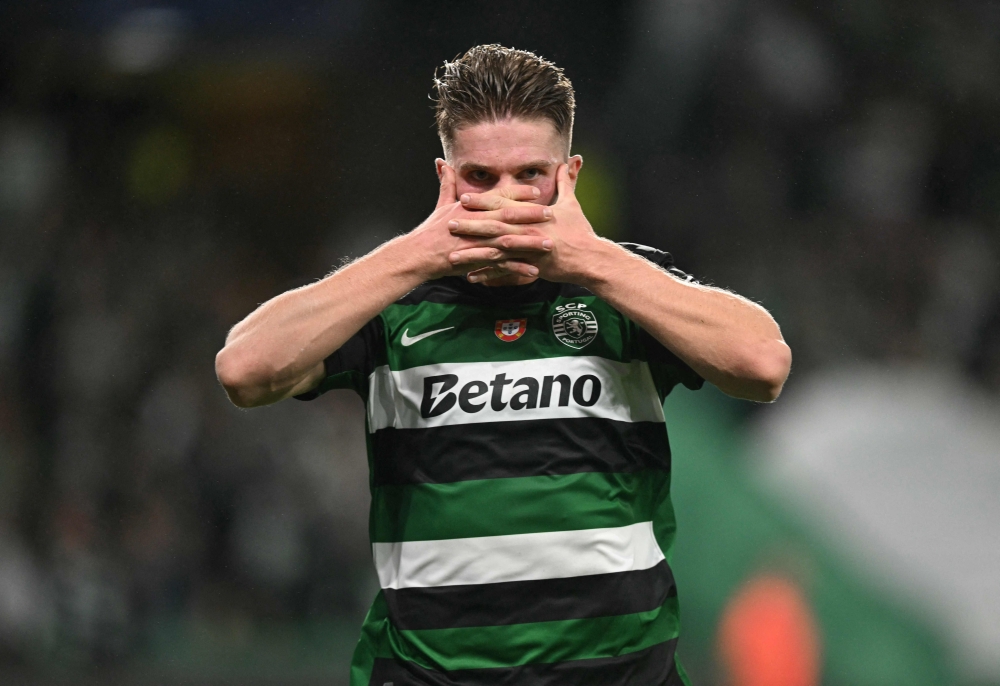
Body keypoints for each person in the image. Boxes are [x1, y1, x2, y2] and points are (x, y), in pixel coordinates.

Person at [215, 44, 791, 686]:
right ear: (446, 178)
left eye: (530, 175)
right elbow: (244, 368)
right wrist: (419, 252)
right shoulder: (395, 305)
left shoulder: (622, 290)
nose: (506, 201)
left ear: (569, 176)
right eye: (480, 177)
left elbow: (763, 363)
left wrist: (590, 259)